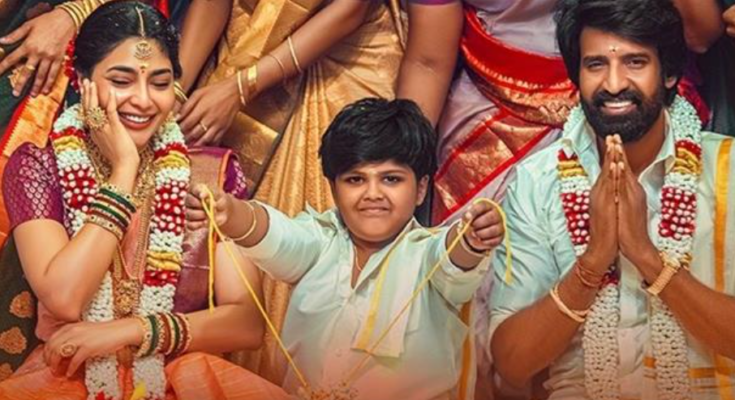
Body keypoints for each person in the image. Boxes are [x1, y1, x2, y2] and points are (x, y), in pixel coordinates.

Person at [0, 3, 290, 399]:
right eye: (121, 81)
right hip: (69, 378)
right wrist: (123, 171)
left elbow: (246, 323)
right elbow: (65, 298)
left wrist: (130, 331)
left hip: (180, 379)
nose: (143, 100)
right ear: (82, 81)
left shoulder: (211, 174)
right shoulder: (39, 167)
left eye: (160, 82)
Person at [174, 0, 463, 381]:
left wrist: (244, 85)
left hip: (345, 75)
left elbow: (352, 8)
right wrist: (173, 88)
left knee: (343, 270)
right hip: (241, 53)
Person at [489, 0, 735, 399]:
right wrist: (593, 261)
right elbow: (512, 363)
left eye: (635, 62)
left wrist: (646, 256)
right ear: (576, 76)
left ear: (670, 73)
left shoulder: (728, 171)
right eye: (596, 64)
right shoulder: (538, 181)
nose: (615, 84)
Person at [187, 98, 505, 400]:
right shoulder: (319, 242)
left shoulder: (428, 255)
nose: (372, 193)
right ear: (334, 189)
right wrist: (230, 212)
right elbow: (277, 235)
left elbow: (453, 259)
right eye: (355, 180)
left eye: (391, 179)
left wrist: (471, 239)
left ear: (420, 189)